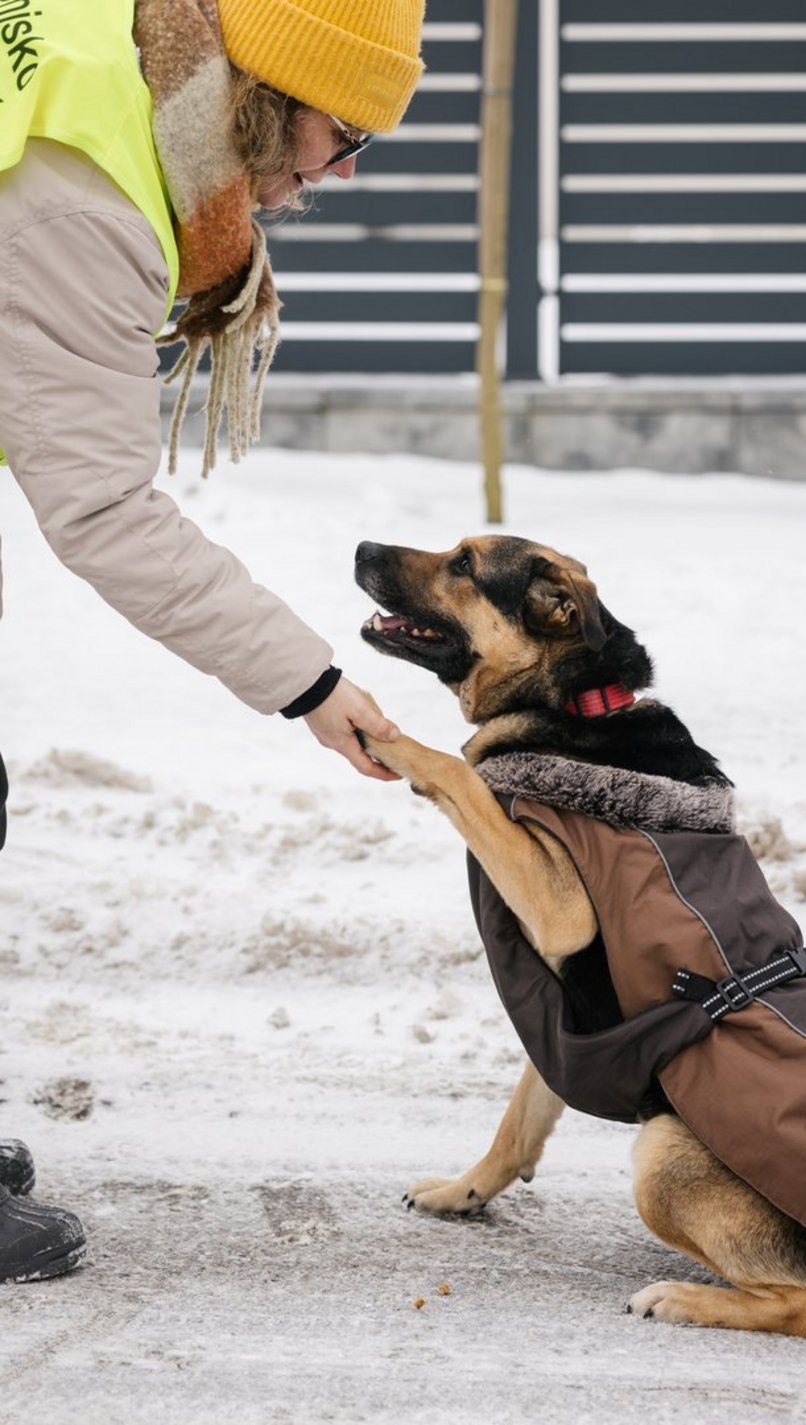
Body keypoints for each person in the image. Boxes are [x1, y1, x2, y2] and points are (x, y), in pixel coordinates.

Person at [0, 0, 426, 1281]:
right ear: (266, 89)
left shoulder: (102, 46)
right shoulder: (93, 199)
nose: (339, 173)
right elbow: (102, 511)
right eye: (343, 134)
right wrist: (311, 682)